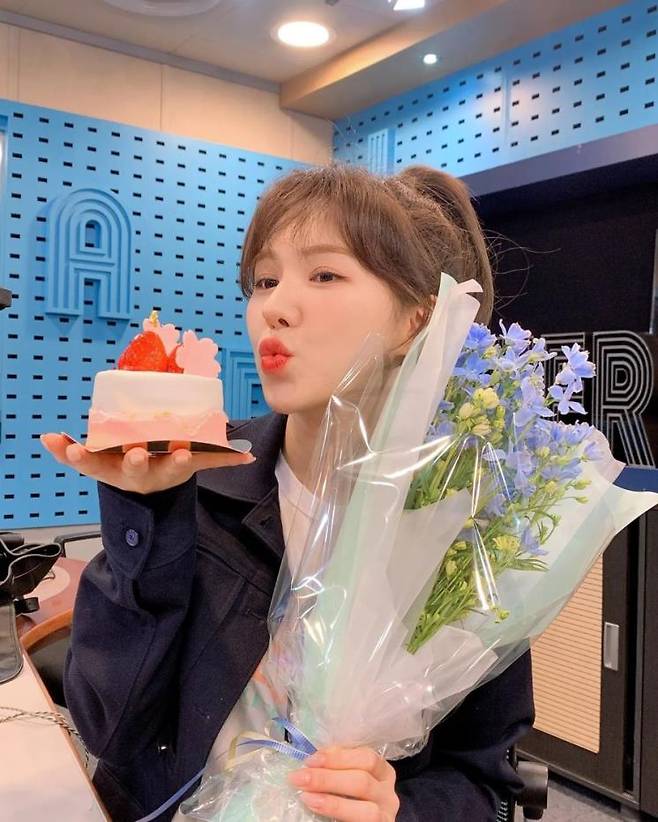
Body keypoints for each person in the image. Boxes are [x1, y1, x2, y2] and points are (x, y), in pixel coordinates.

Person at [41, 162, 535, 822]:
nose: (273, 307)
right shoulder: (197, 476)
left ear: (418, 318)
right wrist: (147, 514)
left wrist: (398, 810)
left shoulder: (464, 525)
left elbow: (484, 782)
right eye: (265, 280)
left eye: (324, 274)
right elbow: (109, 729)